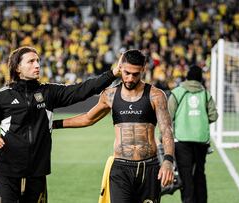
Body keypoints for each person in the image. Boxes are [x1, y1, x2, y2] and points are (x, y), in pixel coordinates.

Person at [0, 46, 121, 202]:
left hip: (37, 172)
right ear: (18, 67)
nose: (37, 65)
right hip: (8, 173)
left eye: (38, 61)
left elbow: (82, 90)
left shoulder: (48, 92)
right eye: (31, 61)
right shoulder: (1, 96)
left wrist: (112, 74)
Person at [53, 49, 175, 203]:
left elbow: (166, 130)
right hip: (120, 169)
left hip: (149, 168)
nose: (130, 78)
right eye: (126, 73)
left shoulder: (156, 95)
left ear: (143, 70)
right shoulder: (109, 95)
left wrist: (168, 160)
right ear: (120, 68)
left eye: (135, 74)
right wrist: (53, 124)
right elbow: (88, 118)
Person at [168, 65, 218, 203]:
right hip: (201, 140)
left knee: (185, 175)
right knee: (199, 173)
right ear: (200, 79)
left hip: (182, 141)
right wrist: (199, 118)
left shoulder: (177, 92)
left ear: (187, 77)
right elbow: (213, 116)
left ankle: (188, 200)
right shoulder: (205, 94)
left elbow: (168, 116)